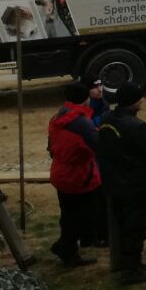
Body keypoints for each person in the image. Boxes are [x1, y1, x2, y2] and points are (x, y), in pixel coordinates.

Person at [94, 83, 146, 284]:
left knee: (123, 225)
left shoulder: (107, 120)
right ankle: (132, 269)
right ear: (133, 101)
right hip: (135, 184)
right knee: (135, 227)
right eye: (139, 98)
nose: (142, 100)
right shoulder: (136, 127)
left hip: (113, 182)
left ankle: (130, 263)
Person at [46, 81, 103, 267]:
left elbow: (51, 146)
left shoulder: (59, 116)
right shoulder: (82, 123)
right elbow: (98, 147)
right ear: (86, 99)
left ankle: (68, 247)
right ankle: (66, 248)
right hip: (79, 177)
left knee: (69, 214)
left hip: (61, 172)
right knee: (84, 215)